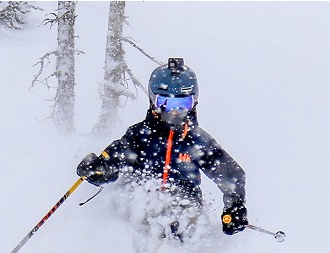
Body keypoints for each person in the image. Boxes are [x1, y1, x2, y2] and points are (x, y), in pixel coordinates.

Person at [77, 57, 248, 242]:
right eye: (165, 104)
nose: (174, 112)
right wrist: (98, 169)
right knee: (136, 206)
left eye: (183, 104)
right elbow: (113, 161)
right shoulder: (139, 136)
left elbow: (232, 175)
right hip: (142, 211)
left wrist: (235, 206)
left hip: (183, 213)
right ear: (153, 101)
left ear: (194, 102)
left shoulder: (198, 141)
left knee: (186, 216)